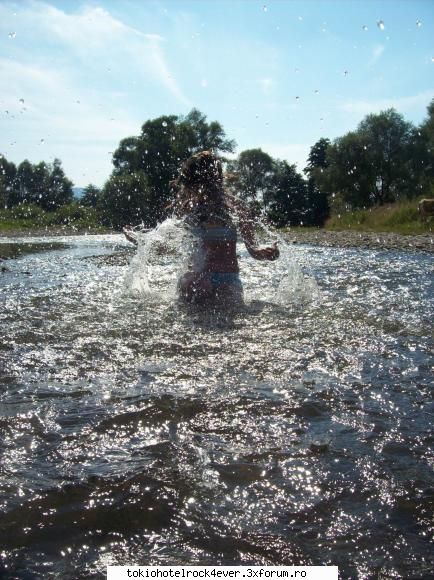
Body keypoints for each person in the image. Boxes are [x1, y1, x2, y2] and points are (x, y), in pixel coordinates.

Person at [124, 150, 279, 303]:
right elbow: (169, 247)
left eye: (193, 186)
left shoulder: (237, 207)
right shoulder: (187, 209)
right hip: (195, 277)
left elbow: (253, 250)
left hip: (228, 279)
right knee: (199, 286)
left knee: (228, 301)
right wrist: (142, 241)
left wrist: (266, 252)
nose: (191, 191)